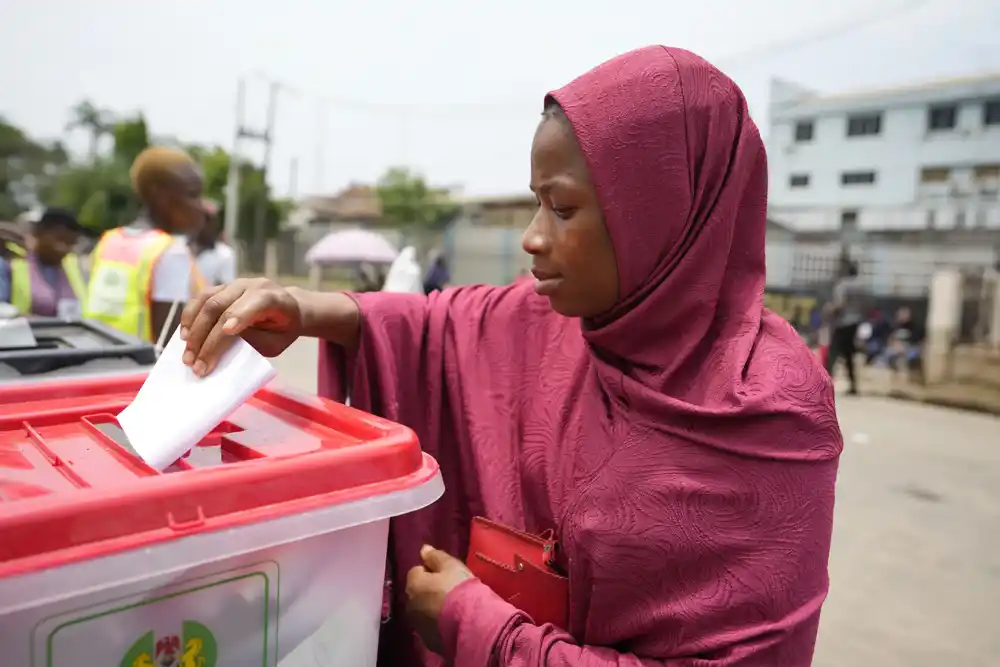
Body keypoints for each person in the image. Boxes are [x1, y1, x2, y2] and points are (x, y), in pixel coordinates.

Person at [178, 46, 841, 667]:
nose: (532, 237)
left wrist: (480, 626)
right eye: (536, 202)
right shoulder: (571, 322)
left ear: (658, 212)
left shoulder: (772, 414)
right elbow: (443, 324)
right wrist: (299, 308)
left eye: (563, 208)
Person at [84, 147, 206, 343]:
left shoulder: (109, 240)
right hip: (145, 369)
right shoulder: (170, 252)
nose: (201, 206)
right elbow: (170, 342)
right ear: (158, 194)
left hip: (100, 362)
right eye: (193, 194)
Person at [0, 208, 87, 317]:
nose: (64, 248)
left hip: (67, 333)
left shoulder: (75, 268)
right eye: (60, 239)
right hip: (23, 332)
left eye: (71, 243)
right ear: (39, 233)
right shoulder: (12, 263)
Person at [825, 260, 865, 395]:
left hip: (843, 323)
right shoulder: (861, 286)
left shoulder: (842, 285)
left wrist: (830, 310)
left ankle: (823, 384)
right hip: (855, 323)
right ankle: (854, 386)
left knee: (832, 354)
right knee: (849, 355)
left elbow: (840, 304)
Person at [194, 199, 237, 287]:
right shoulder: (179, 249)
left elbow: (226, 288)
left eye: (208, 221)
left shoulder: (225, 255)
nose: (203, 225)